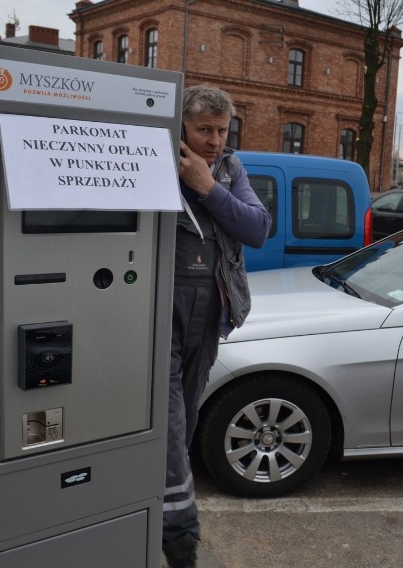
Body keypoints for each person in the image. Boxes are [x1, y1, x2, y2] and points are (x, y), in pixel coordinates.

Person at [163, 85, 272, 568]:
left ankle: (163, 508)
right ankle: (180, 537)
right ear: (182, 126)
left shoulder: (229, 167)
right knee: (167, 423)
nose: (213, 139)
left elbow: (257, 229)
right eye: (203, 129)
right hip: (163, 308)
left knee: (182, 421)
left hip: (210, 310)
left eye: (222, 129)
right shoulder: (158, 162)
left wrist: (208, 187)